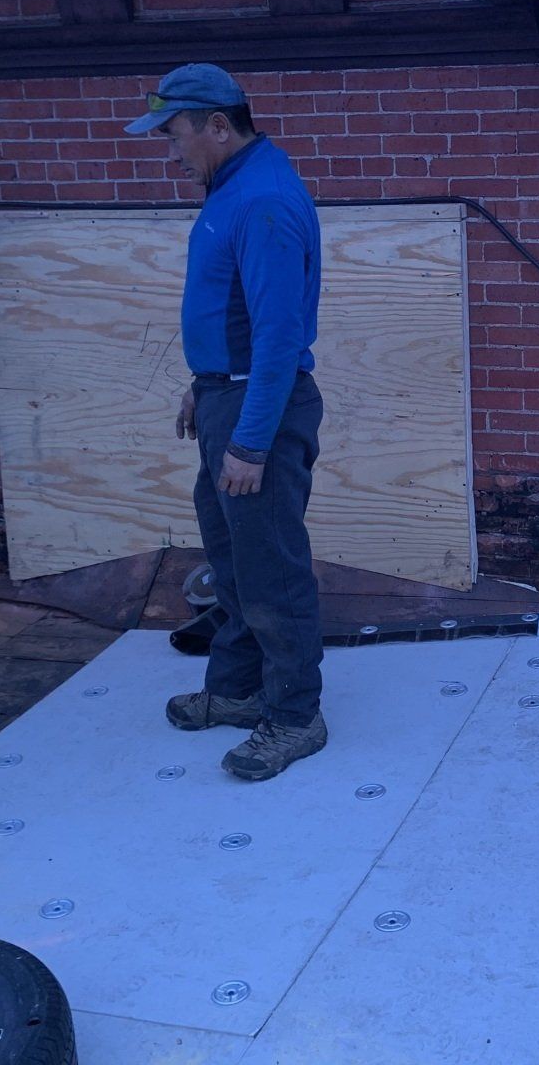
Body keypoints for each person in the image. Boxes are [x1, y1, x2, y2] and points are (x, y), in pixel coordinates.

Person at [126, 63, 326, 781]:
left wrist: (249, 438)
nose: (171, 149)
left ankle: (296, 715)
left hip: (255, 409)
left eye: (175, 133)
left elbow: (277, 336)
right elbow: (232, 315)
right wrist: (202, 384)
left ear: (217, 124)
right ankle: (240, 692)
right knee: (234, 559)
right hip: (227, 396)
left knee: (270, 568)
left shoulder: (263, 201)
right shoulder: (233, 188)